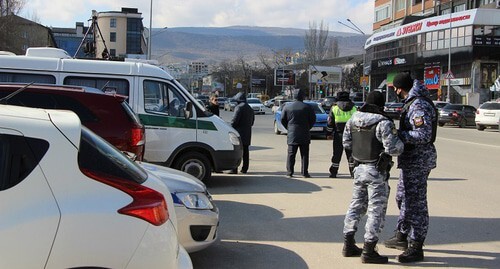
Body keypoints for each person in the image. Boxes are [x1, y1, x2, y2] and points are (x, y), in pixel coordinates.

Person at [341, 91, 404, 264]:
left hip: (359, 169)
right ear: (380, 105)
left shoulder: (352, 120)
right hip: (376, 170)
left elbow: (346, 143)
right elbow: (393, 149)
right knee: (376, 210)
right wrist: (401, 141)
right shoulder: (383, 123)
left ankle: (348, 244)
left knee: (355, 206)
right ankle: (369, 250)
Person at [383, 72, 437, 263]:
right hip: (410, 160)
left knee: (416, 204)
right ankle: (402, 235)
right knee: (402, 197)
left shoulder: (418, 104)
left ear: (399, 88)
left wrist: (400, 135)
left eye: (395, 89)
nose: (395, 92)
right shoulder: (412, 101)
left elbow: (423, 134)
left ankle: (416, 245)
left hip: (418, 160)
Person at [280, 89, 316, 178]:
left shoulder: (287, 107)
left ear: (294, 96)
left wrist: (289, 128)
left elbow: (283, 119)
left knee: (291, 154)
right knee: (304, 154)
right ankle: (304, 172)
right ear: (302, 96)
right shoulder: (308, 107)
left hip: (292, 133)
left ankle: (289, 172)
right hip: (304, 132)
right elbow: (313, 120)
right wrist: (308, 127)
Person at [327, 91, 358, 178]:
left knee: (337, 154)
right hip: (352, 135)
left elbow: (330, 122)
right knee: (351, 155)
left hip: (338, 134)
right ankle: (353, 173)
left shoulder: (335, 108)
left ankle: (333, 172)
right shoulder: (354, 108)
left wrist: (329, 133)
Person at [230, 91, 255, 174]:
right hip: (247, 133)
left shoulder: (239, 108)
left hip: (238, 133)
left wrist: (230, 128)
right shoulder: (250, 108)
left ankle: (234, 169)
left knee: (237, 151)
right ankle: (245, 168)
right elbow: (252, 122)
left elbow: (234, 121)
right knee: (246, 152)